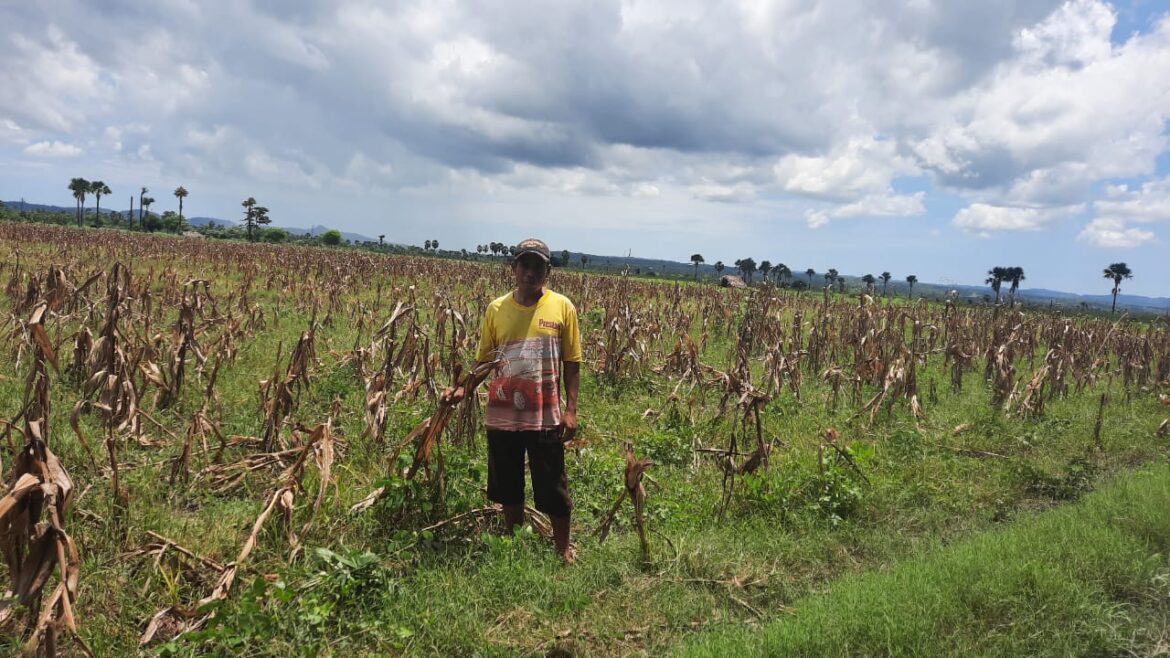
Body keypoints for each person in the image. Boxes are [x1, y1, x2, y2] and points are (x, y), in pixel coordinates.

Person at [443, 238, 582, 563]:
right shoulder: (496, 309)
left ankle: (563, 549)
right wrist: (464, 388)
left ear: (548, 271)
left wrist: (571, 409)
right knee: (508, 487)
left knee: (553, 489)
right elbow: (485, 360)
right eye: (524, 264)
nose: (530, 272)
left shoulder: (563, 307)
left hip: (546, 416)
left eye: (538, 266)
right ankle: (515, 546)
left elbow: (572, 361)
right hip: (503, 415)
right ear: (514, 268)